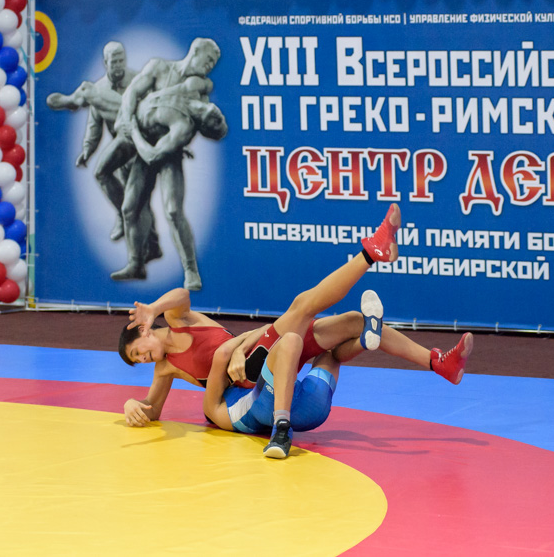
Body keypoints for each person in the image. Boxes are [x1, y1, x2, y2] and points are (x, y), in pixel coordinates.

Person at [118, 204, 474, 432]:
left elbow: (182, 296)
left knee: (353, 321)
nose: (144, 358)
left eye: (138, 351)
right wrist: (133, 405)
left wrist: (153, 307)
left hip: (254, 351)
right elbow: (153, 409)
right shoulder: (164, 370)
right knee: (303, 306)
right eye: (138, 361)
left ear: (145, 330)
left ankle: (439, 363)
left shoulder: (179, 320)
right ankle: (370, 253)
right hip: (250, 382)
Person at [202, 291, 389, 459]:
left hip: (306, 412)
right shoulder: (217, 406)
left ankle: (281, 430)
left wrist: (239, 349)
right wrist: (239, 347)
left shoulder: (221, 411)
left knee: (317, 349)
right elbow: (222, 353)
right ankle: (363, 342)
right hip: (294, 406)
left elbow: (224, 357)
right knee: (297, 342)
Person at [104, 38, 224, 286]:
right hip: (144, 144)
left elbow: (207, 125)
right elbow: (132, 92)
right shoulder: (159, 67)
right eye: (209, 59)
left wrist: (134, 129)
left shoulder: (200, 89)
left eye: (214, 63)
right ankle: (136, 264)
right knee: (129, 208)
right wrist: (127, 118)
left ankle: (191, 270)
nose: (211, 65)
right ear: (195, 51)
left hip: (166, 153)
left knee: (173, 210)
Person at [45, 41, 161, 257]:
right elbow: (94, 126)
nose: (118, 65)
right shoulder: (99, 89)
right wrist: (87, 150)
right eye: (114, 62)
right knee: (129, 200)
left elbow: (156, 111)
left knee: (139, 201)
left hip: (142, 143)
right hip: (122, 149)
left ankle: (150, 246)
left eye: (121, 60)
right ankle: (147, 241)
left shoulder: (138, 80)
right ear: (105, 63)